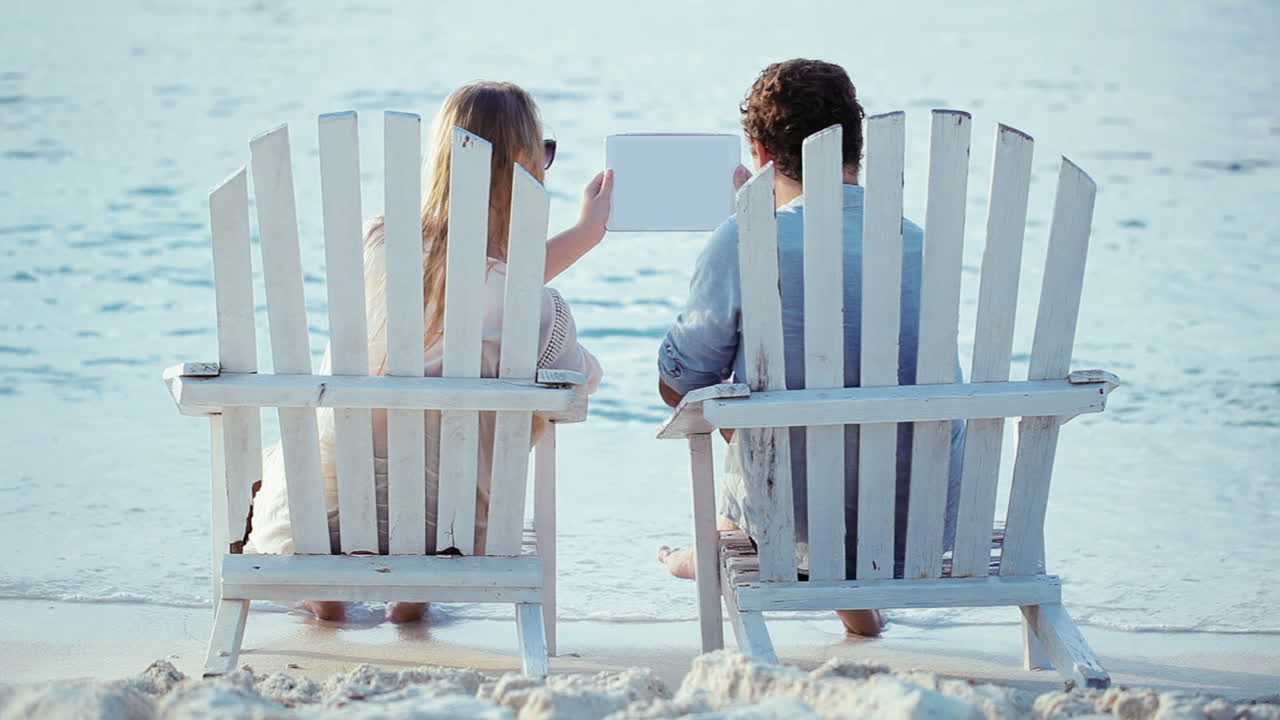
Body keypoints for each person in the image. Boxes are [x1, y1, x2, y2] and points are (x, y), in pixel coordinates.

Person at [245, 81, 609, 623]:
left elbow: (455, 280)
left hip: (314, 517)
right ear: (526, 169)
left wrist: (579, 238)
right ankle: (411, 604)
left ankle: (328, 601)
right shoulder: (534, 308)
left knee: (356, 422)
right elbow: (574, 379)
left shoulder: (375, 247)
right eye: (545, 154)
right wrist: (584, 235)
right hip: (451, 530)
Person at [655, 59, 965, 636]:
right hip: (917, 522)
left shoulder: (745, 238)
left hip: (785, 521)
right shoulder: (921, 244)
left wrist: (749, 231)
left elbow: (679, 384)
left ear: (759, 152)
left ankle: (708, 547)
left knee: (748, 404)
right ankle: (859, 611)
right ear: (856, 146)